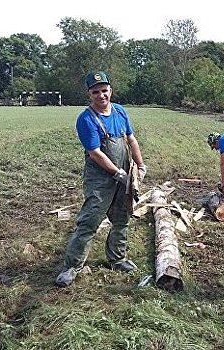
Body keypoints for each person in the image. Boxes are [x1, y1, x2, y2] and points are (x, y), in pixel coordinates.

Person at [55, 71, 147, 287]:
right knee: (89, 221)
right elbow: (96, 153)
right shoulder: (86, 119)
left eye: (104, 90)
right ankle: (72, 266)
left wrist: (140, 166)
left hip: (124, 177)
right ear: (89, 94)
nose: (101, 95)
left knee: (122, 219)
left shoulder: (120, 112)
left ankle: (117, 258)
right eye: (96, 92)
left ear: (110, 91)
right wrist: (117, 173)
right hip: (100, 180)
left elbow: (131, 140)